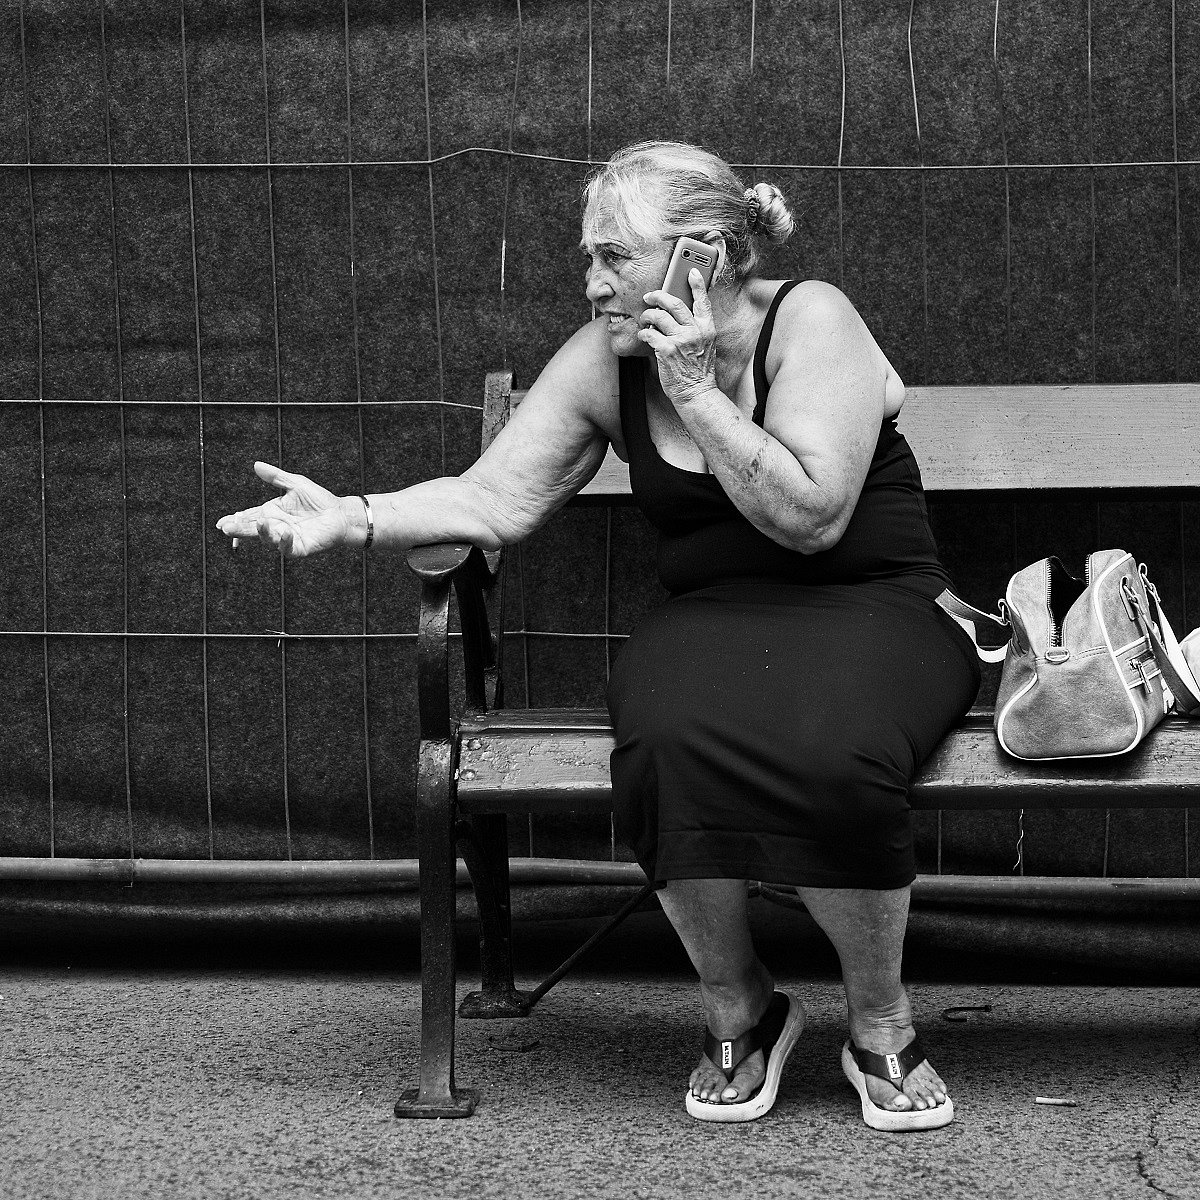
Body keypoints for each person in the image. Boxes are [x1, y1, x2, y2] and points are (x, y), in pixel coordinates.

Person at [217, 140, 980, 1131]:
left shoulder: (812, 319)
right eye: (589, 256)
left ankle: (880, 1020)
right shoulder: (602, 360)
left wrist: (695, 390)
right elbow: (494, 499)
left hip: (877, 604)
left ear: (703, 257)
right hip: (716, 617)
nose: (591, 281)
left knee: (836, 749)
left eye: (614, 256)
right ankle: (741, 1006)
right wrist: (353, 515)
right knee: (660, 737)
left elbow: (813, 519)